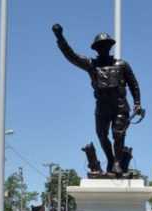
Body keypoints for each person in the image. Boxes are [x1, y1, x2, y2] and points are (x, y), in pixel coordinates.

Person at [52, 23, 142, 175]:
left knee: (118, 134)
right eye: (100, 45)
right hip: (102, 106)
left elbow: (134, 84)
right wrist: (60, 37)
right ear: (96, 48)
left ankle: (118, 164)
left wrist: (137, 103)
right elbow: (71, 56)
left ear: (110, 46)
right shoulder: (91, 65)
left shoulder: (122, 65)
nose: (103, 47)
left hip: (120, 105)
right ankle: (112, 160)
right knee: (101, 134)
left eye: (106, 44)